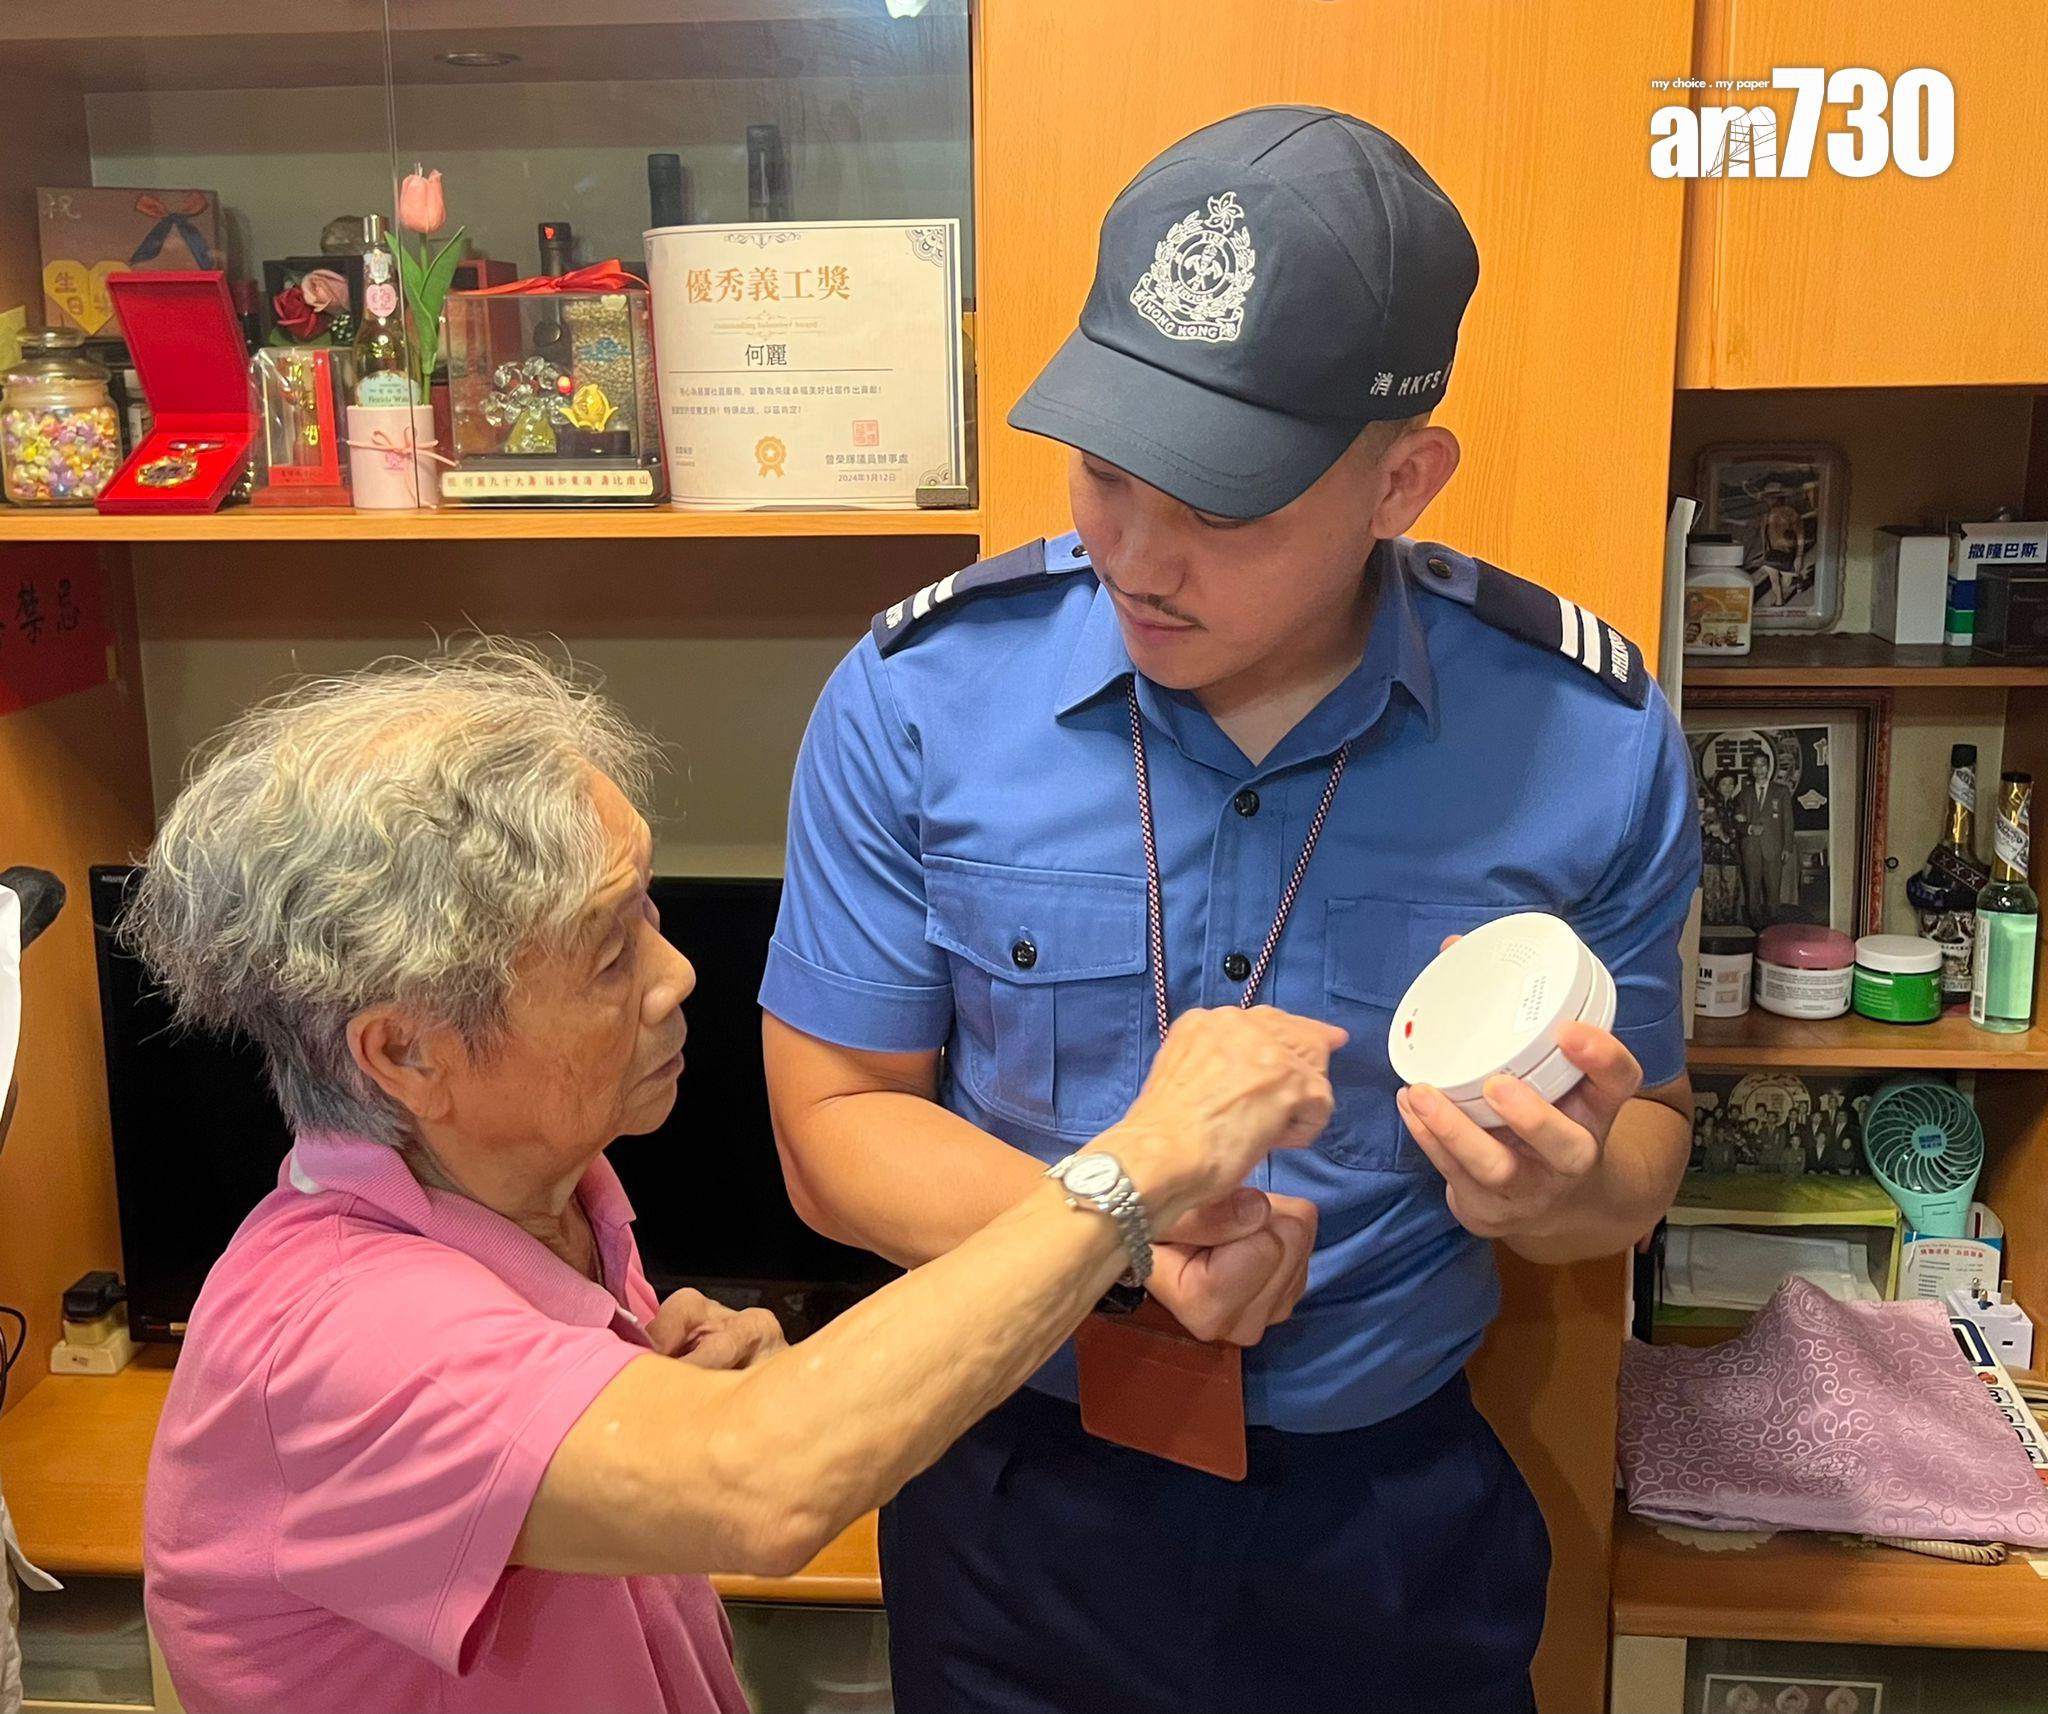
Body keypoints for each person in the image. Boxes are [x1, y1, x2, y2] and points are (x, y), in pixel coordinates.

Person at [762, 106, 1700, 1714]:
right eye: (1105, 472)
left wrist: (1558, 1192)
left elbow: (1644, 1143)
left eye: (1223, 505)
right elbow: (833, 1124)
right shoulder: (920, 698)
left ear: (1401, 481)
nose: (1136, 555)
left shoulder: (1588, 741)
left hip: (1388, 1529)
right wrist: (1119, 1235)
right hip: (1013, 1498)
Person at [129, 644, 1341, 1714]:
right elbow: (764, 1486)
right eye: (608, 956)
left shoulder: (541, 1211)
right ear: (405, 1052)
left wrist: (683, 1401)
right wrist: (1139, 1164)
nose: (676, 975)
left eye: (646, 913)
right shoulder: (342, 1337)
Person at [1738, 748, 1799, 927]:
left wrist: (1787, 847)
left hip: (1774, 848)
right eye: (1755, 766)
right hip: (1751, 849)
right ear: (1751, 769)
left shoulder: (1781, 791)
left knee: (1773, 889)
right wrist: (1749, 828)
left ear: (1769, 767)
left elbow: (1788, 821)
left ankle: (1774, 927)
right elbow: (1737, 821)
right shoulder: (1744, 794)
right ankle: (1755, 925)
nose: (1759, 770)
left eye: (1763, 765)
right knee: (1752, 888)